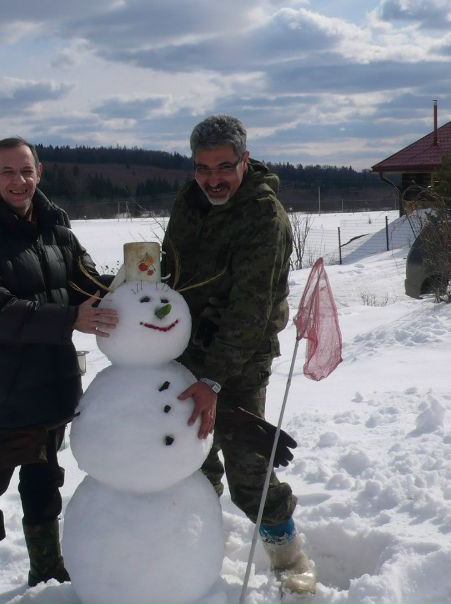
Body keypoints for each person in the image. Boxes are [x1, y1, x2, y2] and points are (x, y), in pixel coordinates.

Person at [0, 137, 117, 604]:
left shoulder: (55, 228)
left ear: (39, 172)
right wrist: (69, 318)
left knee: (44, 482)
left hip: (52, 385)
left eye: (26, 171)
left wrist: (132, 286)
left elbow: (85, 280)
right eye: (7, 172)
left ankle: (48, 573)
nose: (18, 182)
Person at [162, 115, 316, 594]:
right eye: (203, 168)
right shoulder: (189, 203)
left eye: (224, 167)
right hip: (184, 354)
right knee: (191, 461)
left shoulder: (263, 215)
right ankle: (197, 548)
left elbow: (250, 311)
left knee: (248, 469)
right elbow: (170, 273)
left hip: (240, 361)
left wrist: (213, 383)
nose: (213, 179)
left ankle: (290, 563)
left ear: (244, 162)